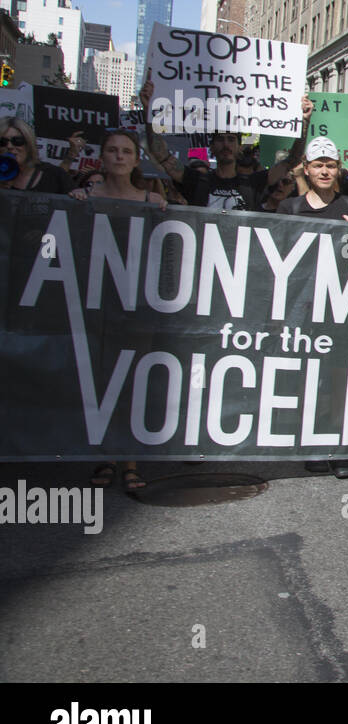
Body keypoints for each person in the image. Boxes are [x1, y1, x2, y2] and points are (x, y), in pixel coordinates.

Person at [70, 128, 167, 492]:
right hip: (97, 302)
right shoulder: (85, 196)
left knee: (132, 382)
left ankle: (130, 461)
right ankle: (104, 457)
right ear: (102, 156)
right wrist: (74, 201)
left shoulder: (150, 200)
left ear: (135, 159)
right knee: (100, 381)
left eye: (126, 151)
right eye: (112, 150)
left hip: (137, 304)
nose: (119, 156)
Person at [277, 136, 348, 480]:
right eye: (319, 165)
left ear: (338, 169)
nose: (325, 171)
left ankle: (339, 448)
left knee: (339, 378)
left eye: (331, 165)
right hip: (303, 305)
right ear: (307, 169)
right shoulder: (290, 208)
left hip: (341, 304)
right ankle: (313, 444)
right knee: (309, 378)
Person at [138, 74, 312, 210]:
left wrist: (304, 122)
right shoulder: (196, 180)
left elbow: (292, 160)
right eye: (220, 139)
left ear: (239, 147)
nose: (226, 145)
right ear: (212, 147)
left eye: (231, 139)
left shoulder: (253, 183)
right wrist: (148, 111)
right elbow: (159, 153)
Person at [0, 117, 72, 194]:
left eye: (17, 141)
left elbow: (75, 202)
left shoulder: (54, 174)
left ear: (29, 144)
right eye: (2, 142)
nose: (9, 146)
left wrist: (78, 194)